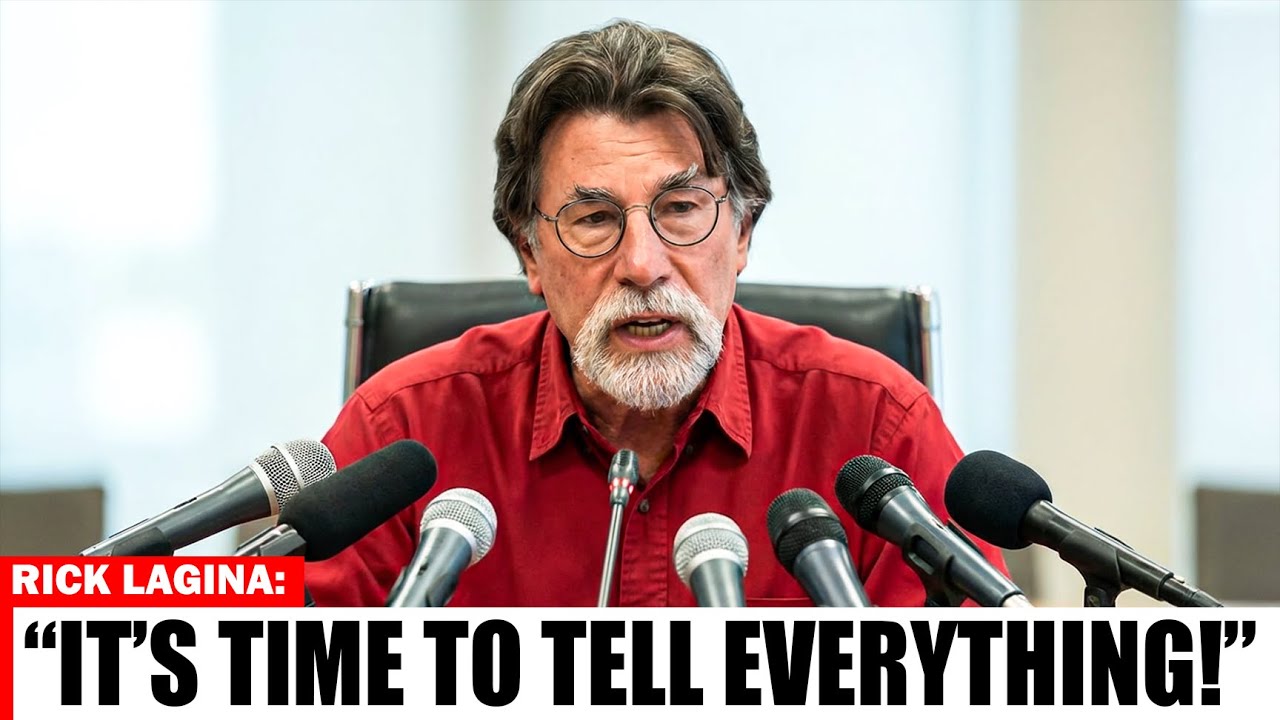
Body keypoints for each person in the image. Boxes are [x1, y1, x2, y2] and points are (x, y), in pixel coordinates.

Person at [306, 20, 1009, 607]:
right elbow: (261, 659)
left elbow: (985, 680)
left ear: (742, 233)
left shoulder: (877, 424)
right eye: (593, 219)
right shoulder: (400, 424)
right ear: (528, 252)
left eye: (680, 209)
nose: (643, 264)